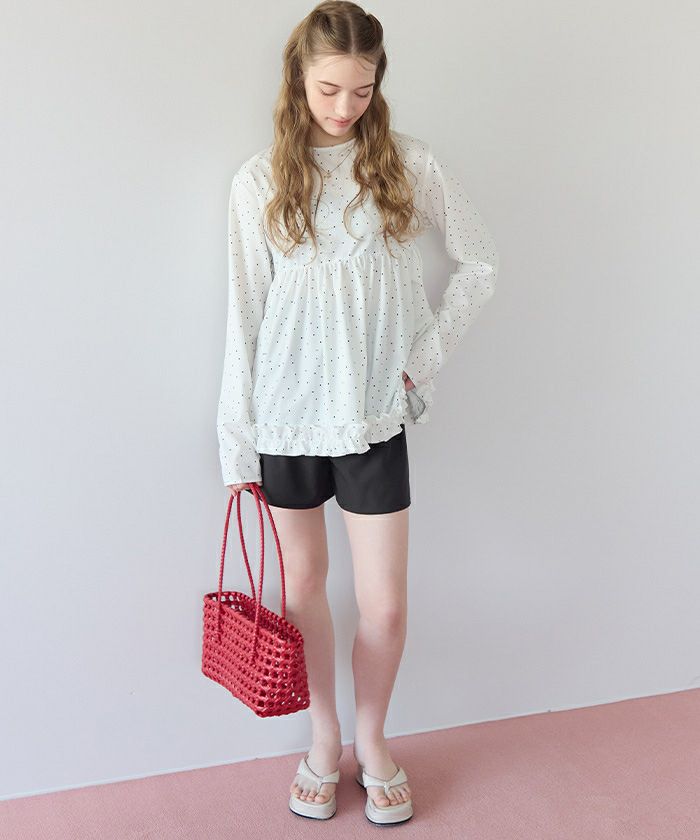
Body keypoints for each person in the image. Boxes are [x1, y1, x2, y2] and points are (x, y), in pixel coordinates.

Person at [216, 0, 499, 825]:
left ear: (380, 84)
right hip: (284, 419)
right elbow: (244, 317)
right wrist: (236, 445)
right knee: (304, 588)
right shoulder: (260, 181)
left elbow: (481, 262)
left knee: (386, 605)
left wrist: (423, 356)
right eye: (328, 89)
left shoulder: (406, 164)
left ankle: (373, 742)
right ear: (297, 81)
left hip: (374, 415)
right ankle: (323, 739)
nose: (345, 107)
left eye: (362, 91)